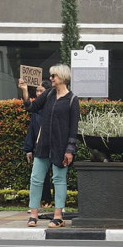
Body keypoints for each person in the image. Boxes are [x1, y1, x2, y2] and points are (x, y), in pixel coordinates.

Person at [18, 65, 79, 228]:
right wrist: (25, 90)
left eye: (54, 76)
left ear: (63, 77)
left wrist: (70, 150)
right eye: (51, 75)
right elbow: (31, 107)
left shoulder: (73, 99)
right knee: (36, 179)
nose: (51, 78)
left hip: (61, 147)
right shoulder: (49, 94)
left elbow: (74, 128)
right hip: (43, 144)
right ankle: (33, 215)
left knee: (59, 180)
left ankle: (58, 216)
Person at [23, 79, 53, 207]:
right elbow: (32, 129)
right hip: (40, 146)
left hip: (54, 145)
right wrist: (29, 149)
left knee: (57, 175)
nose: (39, 93)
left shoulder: (54, 106)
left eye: (42, 91)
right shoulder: (36, 109)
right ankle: (45, 200)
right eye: (37, 91)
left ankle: (58, 204)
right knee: (41, 175)